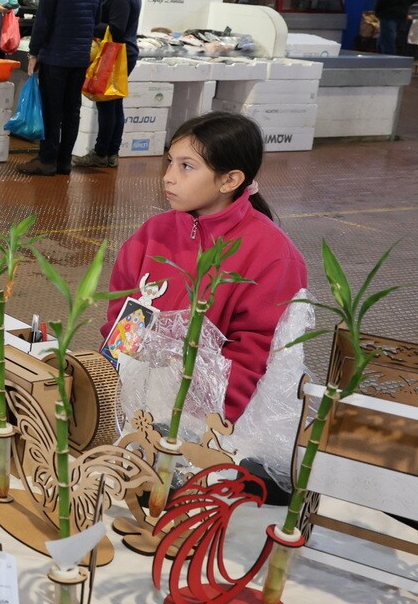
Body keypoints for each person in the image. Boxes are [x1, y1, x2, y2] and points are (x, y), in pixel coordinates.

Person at [106, 112, 309, 481]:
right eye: (170, 162)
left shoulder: (272, 254)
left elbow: (254, 355)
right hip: (134, 416)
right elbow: (122, 315)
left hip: (210, 434)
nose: (168, 177)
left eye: (186, 166)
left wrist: (190, 428)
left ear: (230, 180)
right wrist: (111, 383)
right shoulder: (153, 233)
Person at [19, 0, 102, 176]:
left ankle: (47, 160)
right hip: (80, 58)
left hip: (55, 57)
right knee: (72, 111)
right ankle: (65, 161)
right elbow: (96, 21)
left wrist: (34, 52)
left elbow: (42, 22)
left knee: (51, 110)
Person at [74, 0, 143, 170]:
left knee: (106, 105)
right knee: (114, 104)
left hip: (115, 53)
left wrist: (90, 24)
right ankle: (112, 152)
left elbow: (116, 29)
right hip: (124, 52)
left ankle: (101, 152)